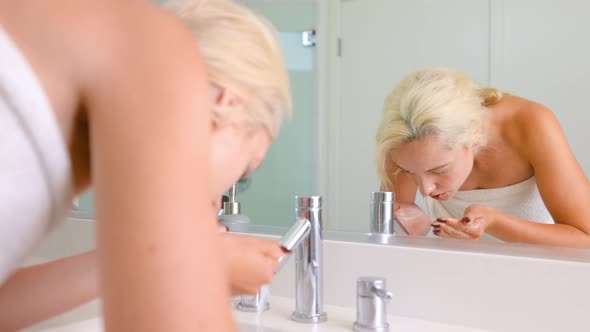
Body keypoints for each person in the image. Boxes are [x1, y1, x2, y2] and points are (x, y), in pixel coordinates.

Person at [0, 0, 290, 330]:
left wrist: (141, 261)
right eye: (244, 170)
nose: (217, 201)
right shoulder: (155, 48)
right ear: (228, 101)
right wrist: (197, 266)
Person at [376, 67, 590, 247]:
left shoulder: (530, 123)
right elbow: (391, 243)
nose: (425, 190)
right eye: (409, 172)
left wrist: (494, 222)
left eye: (439, 170)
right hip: (458, 275)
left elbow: (585, 236)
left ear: (474, 138)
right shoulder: (405, 137)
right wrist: (407, 229)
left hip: (543, 275)